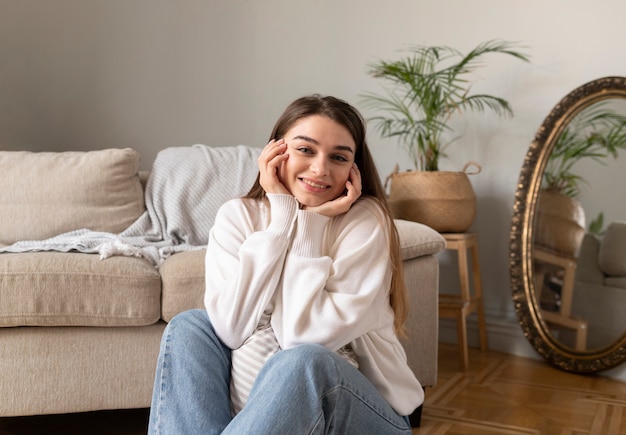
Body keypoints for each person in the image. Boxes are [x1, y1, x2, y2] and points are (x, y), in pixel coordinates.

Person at [148, 94, 423, 434]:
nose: (321, 168)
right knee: (190, 326)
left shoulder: (365, 221)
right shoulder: (239, 216)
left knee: (306, 362)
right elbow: (230, 328)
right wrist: (281, 222)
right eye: (306, 149)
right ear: (275, 153)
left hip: (362, 417)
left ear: (354, 169)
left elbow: (300, 337)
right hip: (257, 421)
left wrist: (311, 224)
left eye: (338, 157)